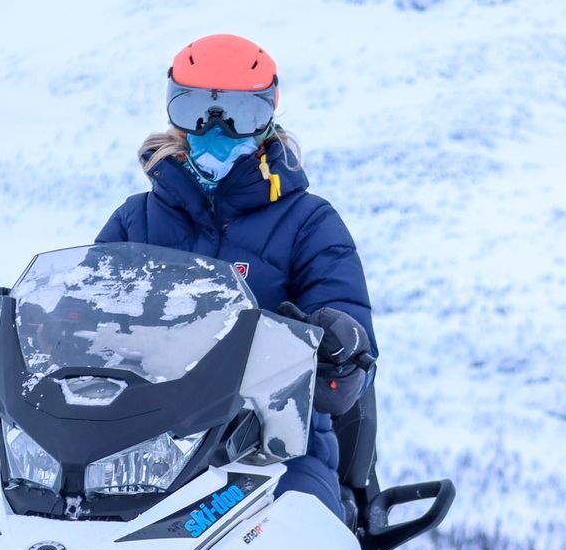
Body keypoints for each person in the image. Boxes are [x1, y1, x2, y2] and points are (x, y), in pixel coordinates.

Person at [97, 33, 374, 521]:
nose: (216, 127)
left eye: (239, 113)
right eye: (196, 109)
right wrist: (33, 323)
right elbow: (85, 314)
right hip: (141, 445)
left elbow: (352, 341)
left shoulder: (309, 223)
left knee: (299, 538)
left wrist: (336, 344)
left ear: (267, 117)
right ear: (173, 114)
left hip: (275, 447)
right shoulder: (135, 221)